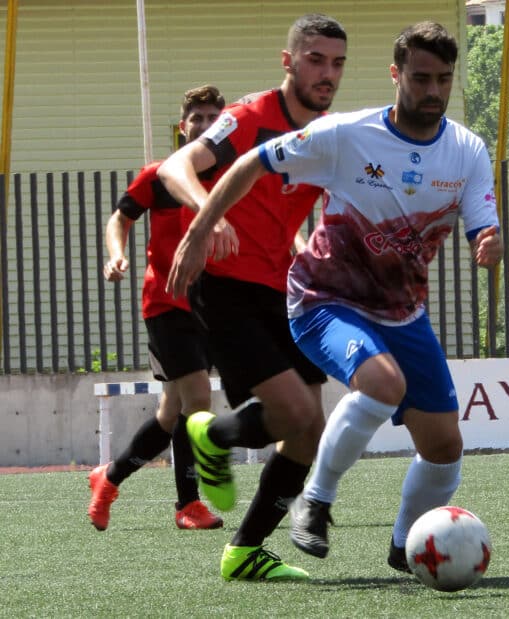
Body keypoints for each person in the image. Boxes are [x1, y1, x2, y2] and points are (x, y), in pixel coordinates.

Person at [166, 21, 502, 574]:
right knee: (373, 387)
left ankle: (403, 548)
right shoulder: (347, 133)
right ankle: (314, 502)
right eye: (420, 78)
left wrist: (488, 244)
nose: (433, 91)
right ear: (396, 75)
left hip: (403, 312)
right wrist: (204, 228)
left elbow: (481, 226)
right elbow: (253, 160)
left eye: (444, 79)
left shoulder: (466, 151)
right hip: (325, 299)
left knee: (444, 447)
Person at [157, 14, 347, 581]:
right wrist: (205, 216)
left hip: (284, 289)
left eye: (337, 63)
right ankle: (211, 434)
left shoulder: (328, 136)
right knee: (292, 411)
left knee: (311, 426)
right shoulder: (247, 118)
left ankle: (244, 551)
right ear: (287, 62)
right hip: (225, 286)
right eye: (315, 59)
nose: (327, 73)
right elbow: (176, 166)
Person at [88, 85, 227, 532]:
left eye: (213, 118)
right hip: (166, 303)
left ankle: (108, 479)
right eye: (197, 119)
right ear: (182, 126)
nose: (204, 126)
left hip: (211, 305)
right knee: (198, 398)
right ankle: (188, 504)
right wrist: (115, 253)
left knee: (171, 412)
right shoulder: (162, 175)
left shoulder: (231, 178)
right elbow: (121, 217)